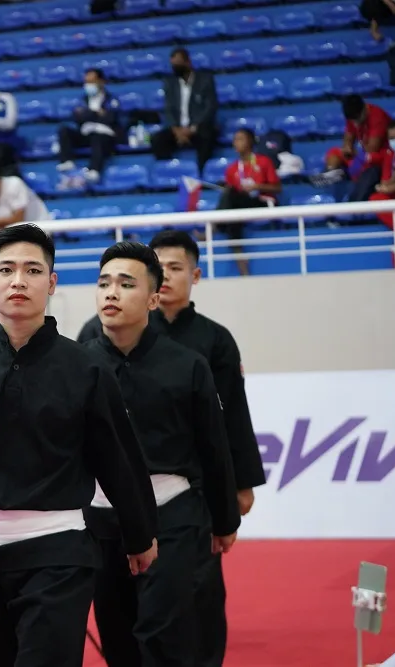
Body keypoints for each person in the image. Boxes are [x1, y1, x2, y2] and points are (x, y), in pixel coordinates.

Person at [0, 223, 159, 667]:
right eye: (5, 270)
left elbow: (117, 458)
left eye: (32, 270)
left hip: (60, 548)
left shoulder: (86, 367)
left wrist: (140, 534)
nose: (18, 281)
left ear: (51, 282)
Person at [79, 230, 265, 667]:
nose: (112, 293)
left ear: (152, 295)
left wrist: (226, 513)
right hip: (102, 519)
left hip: (176, 510)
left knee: (166, 629)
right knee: (118, 633)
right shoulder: (79, 361)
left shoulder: (194, 359)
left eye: (126, 284)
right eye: (104, 283)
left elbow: (220, 436)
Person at [218, 128, 282, 276]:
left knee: (231, 205)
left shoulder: (264, 161)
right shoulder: (232, 168)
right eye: (235, 139)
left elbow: (278, 188)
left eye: (240, 138)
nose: (236, 142)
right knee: (231, 199)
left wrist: (257, 186)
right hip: (242, 204)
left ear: (250, 141)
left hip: (262, 202)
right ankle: (240, 257)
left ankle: (216, 226)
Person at [150, 48, 218, 171]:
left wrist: (192, 129)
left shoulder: (205, 80)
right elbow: (169, 108)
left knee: (207, 135)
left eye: (178, 64)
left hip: (198, 127)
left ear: (188, 62)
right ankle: (168, 173)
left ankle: (201, 173)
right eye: (173, 65)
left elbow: (210, 107)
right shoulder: (170, 83)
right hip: (178, 129)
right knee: (157, 139)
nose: (175, 67)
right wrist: (177, 130)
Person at [56, 68, 121, 183]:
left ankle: (94, 170)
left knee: (98, 137)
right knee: (64, 130)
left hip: (105, 135)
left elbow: (110, 118)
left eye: (92, 81)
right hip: (86, 133)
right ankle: (67, 160)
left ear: (101, 81)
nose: (88, 85)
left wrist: (89, 114)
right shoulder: (83, 100)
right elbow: (78, 117)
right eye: (86, 82)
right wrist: (97, 113)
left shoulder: (112, 99)